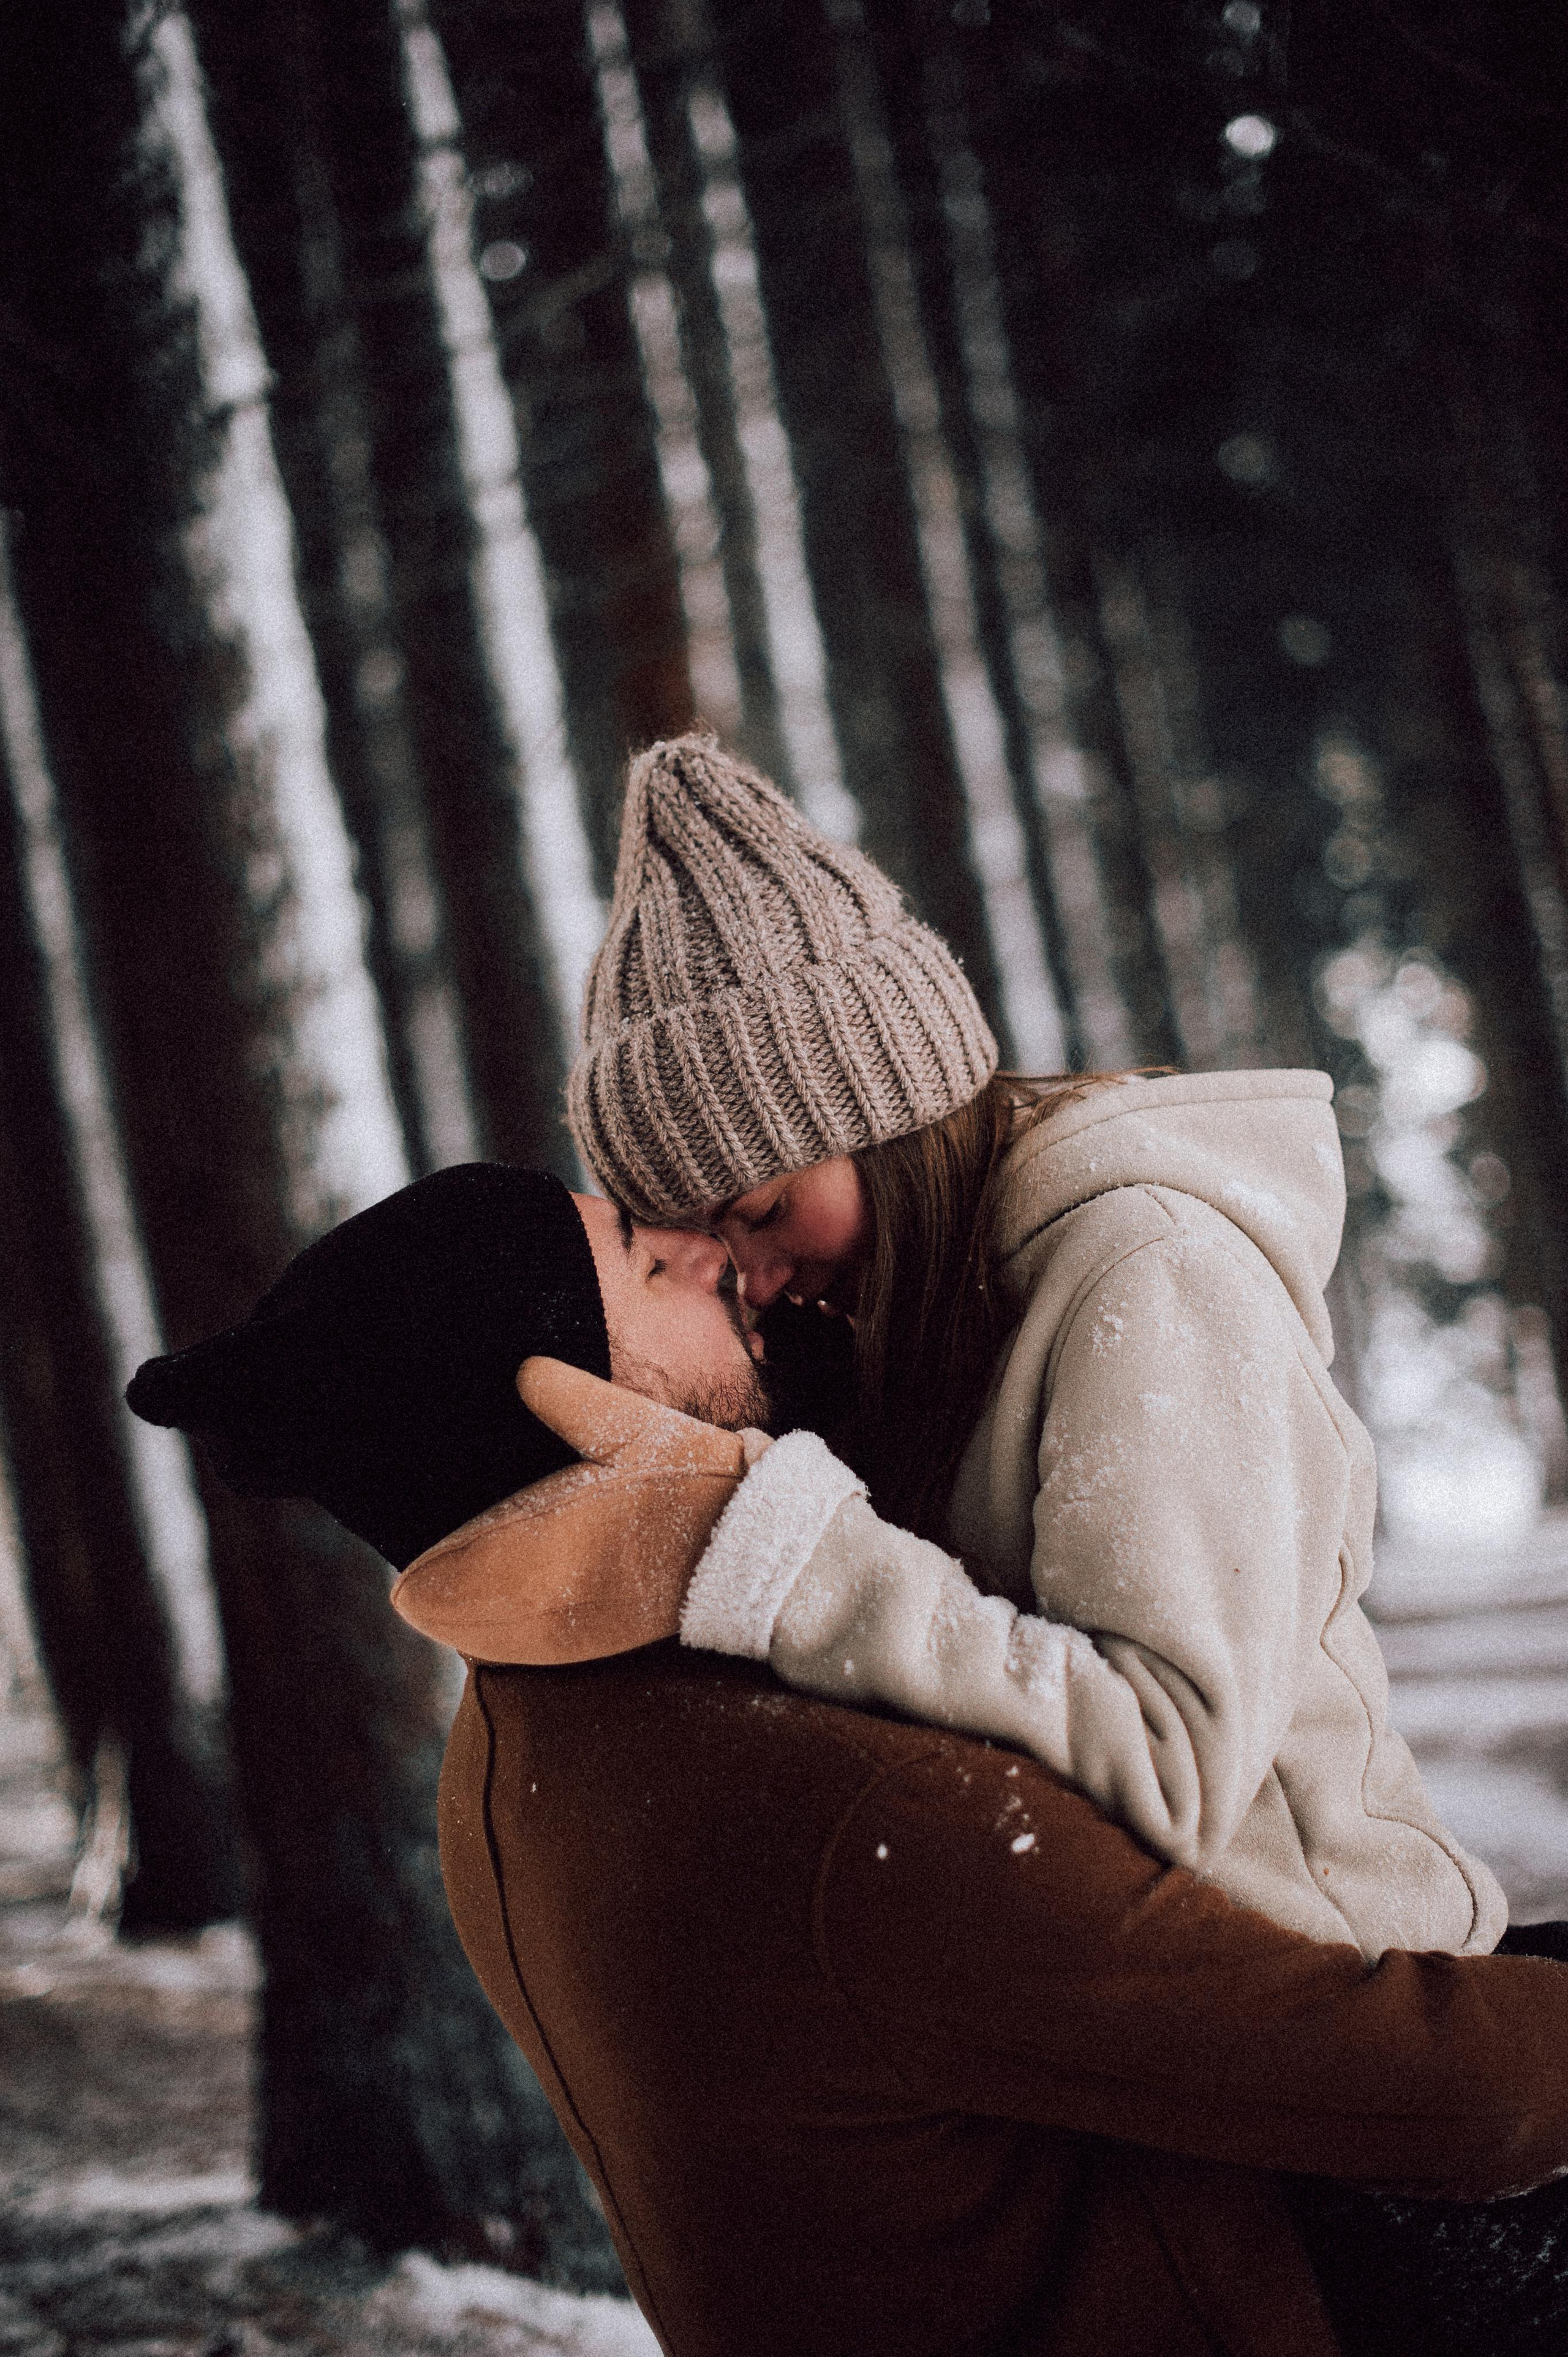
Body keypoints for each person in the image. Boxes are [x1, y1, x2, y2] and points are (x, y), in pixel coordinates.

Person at [130, 1163, 1568, 2356]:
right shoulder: (836, 1817)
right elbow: (1451, 2091)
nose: (716, 1252)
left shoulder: (526, 1732)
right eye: (650, 1270)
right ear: (571, 1407)